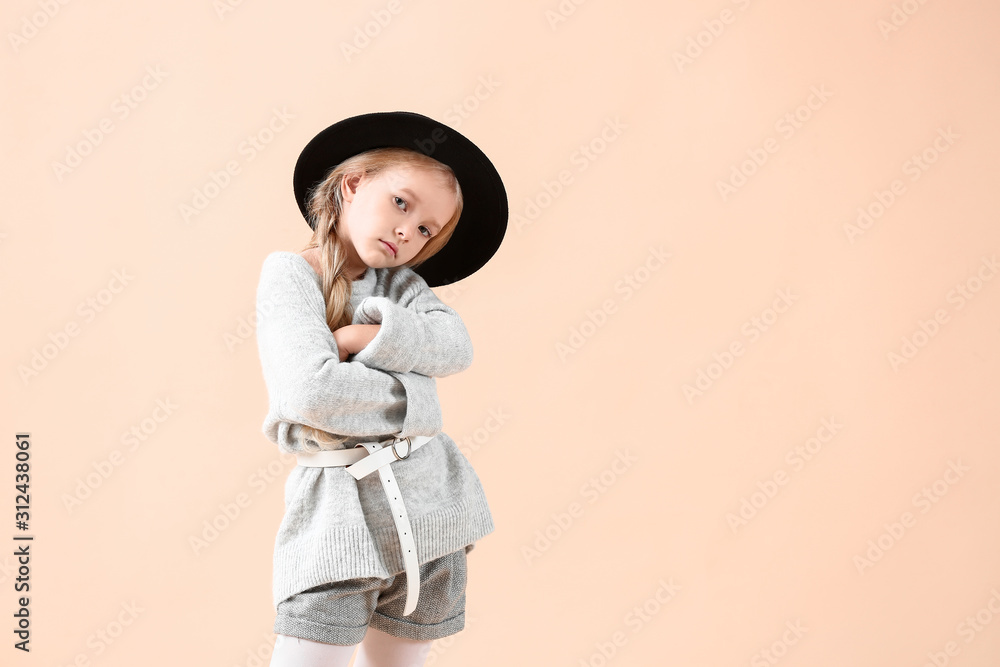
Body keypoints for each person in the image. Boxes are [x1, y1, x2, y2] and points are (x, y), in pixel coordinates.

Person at [255, 111, 508, 667]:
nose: (408, 232)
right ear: (353, 183)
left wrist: (363, 332)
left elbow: (456, 347)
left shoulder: (403, 286)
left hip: (434, 511)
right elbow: (311, 393)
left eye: (426, 230)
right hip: (337, 519)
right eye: (402, 203)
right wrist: (422, 400)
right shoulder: (291, 275)